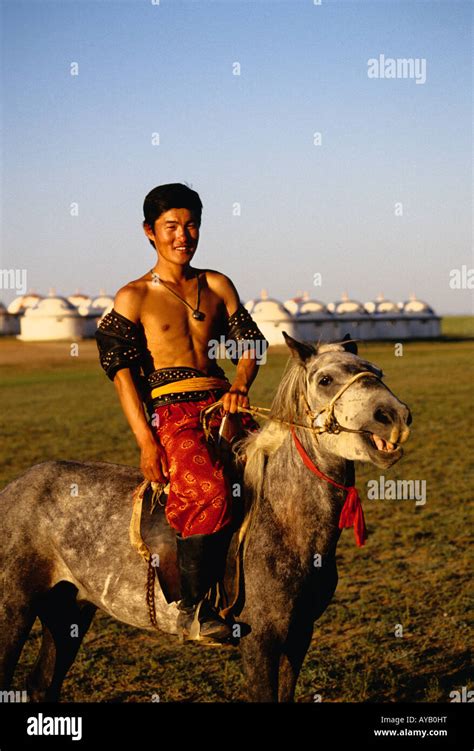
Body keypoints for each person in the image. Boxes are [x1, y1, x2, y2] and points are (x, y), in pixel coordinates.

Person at [95, 183, 268, 643]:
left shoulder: (216, 284)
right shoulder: (133, 296)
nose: (183, 235)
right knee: (208, 489)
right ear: (150, 231)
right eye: (171, 226)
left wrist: (239, 385)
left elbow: (250, 346)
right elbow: (123, 376)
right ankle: (192, 610)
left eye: (191, 225)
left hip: (223, 403)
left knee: (279, 476)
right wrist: (145, 441)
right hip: (171, 414)